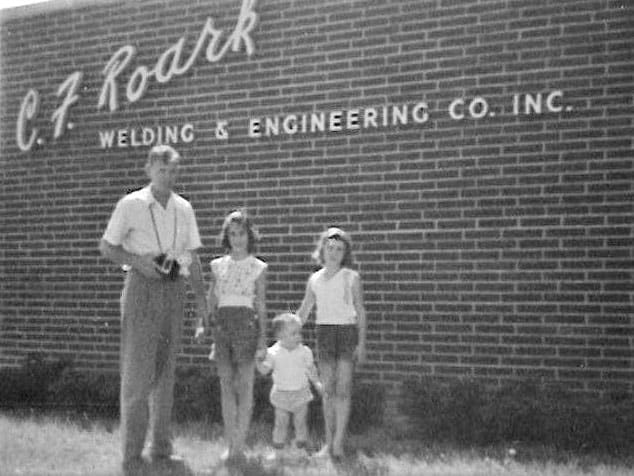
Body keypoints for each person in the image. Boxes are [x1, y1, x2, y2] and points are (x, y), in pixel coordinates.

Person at [99, 145, 208, 471]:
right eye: (163, 170)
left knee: (164, 374)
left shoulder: (183, 208)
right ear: (149, 169)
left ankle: (161, 449)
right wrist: (137, 262)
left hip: (174, 290)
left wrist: (202, 303)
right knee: (137, 376)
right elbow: (107, 246)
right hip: (142, 288)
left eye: (174, 170)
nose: (169, 176)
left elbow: (194, 257)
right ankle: (132, 457)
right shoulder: (131, 204)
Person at [195, 209, 267, 462]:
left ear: (250, 236)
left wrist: (262, 339)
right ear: (227, 237)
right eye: (232, 234)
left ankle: (240, 445)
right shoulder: (218, 265)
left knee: (245, 385)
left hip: (246, 326)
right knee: (226, 385)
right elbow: (212, 297)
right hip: (223, 327)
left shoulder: (257, 267)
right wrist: (203, 324)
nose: (237, 239)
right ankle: (230, 443)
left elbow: (260, 305)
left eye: (242, 233)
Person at [296, 227, 367, 461]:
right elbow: (305, 310)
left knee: (343, 390)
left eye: (339, 249)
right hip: (324, 333)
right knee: (327, 392)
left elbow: (360, 310)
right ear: (322, 250)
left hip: (346, 333)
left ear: (345, 253)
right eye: (330, 248)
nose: (334, 252)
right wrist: (289, 329)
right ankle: (328, 443)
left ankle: (338, 444)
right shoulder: (314, 279)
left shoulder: (351, 277)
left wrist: (362, 343)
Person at [256, 313, 323, 460]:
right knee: (281, 423)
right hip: (281, 394)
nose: (298, 336)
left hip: (301, 393)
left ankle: (300, 450)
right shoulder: (273, 352)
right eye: (293, 333)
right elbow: (264, 370)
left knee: (300, 423)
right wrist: (257, 360)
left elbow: (311, 370)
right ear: (280, 336)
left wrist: (317, 383)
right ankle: (278, 452)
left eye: (299, 332)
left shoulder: (305, 352)